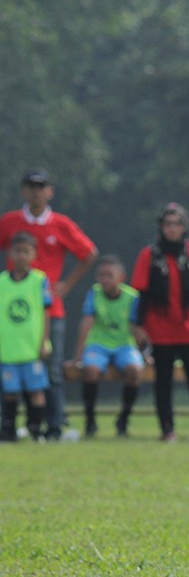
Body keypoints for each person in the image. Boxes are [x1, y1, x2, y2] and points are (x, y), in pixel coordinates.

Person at [0, 169, 98, 439]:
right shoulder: (10, 222)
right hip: (13, 316)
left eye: (41, 186)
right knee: (8, 370)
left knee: (51, 370)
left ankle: (53, 426)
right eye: (31, 186)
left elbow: (89, 253)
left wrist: (67, 284)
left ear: (49, 192)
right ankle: (8, 427)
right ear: (23, 191)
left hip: (49, 310)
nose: (36, 191)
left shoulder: (61, 224)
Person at [130, 203, 189, 442]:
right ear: (161, 227)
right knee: (162, 382)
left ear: (184, 227)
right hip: (160, 328)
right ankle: (167, 430)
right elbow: (141, 291)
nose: (172, 229)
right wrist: (139, 326)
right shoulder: (149, 254)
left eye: (177, 224)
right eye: (167, 224)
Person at [72, 255, 143, 438]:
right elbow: (87, 323)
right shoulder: (94, 294)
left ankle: (123, 421)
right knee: (90, 370)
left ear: (121, 277)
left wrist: (144, 350)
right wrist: (78, 355)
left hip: (124, 345)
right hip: (98, 344)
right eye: (101, 275)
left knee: (134, 371)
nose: (104, 279)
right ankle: (90, 421)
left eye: (109, 275)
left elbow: (137, 327)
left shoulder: (132, 297)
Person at [0, 233, 53, 441]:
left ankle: (35, 429)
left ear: (34, 255)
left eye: (26, 251)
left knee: (36, 390)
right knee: (10, 392)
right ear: (10, 253)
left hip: (32, 348)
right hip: (8, 349)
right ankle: (9, 429)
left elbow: (47, 313)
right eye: (17, 251)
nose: (21, 256)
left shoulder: (40, 280)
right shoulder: (2, 281)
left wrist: (44, 342)